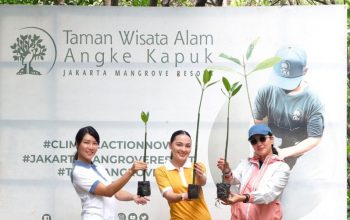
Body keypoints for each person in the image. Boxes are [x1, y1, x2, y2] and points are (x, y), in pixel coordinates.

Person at [253, 46, 324, 168]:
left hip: (298, 139)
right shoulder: (266, 90)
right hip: (272, 134)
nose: (284, 86)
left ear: (305, 71)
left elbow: (315, 138)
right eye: (281, 79)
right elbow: (257, 120)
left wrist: (286, 152)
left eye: (289, 81)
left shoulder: (313, 100)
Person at [70, 126, 149, 220]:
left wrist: (133, 197)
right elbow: (108, 192)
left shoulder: (99, 167)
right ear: (77, 143)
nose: (91, 147)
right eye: (86, 142)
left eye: (95, 143)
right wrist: (131, 172)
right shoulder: (78, 171)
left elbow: (117, 192)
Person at [217, 124, 290, 220]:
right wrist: (227, 171)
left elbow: (268, 194)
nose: (258, 143)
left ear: (271, 139)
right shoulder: (246, 163)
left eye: (262, 138)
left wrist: (243, 197)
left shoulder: (281, 167)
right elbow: (234, 179)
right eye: (254, 141)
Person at [154, 130, 211, 220]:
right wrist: (184, 196)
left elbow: (202, 182)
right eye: (179, 144)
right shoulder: (161, 171)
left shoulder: (198, 166)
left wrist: (200, 175)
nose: (183, 149)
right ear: (170, 145)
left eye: (188, 146)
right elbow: (169, 196)